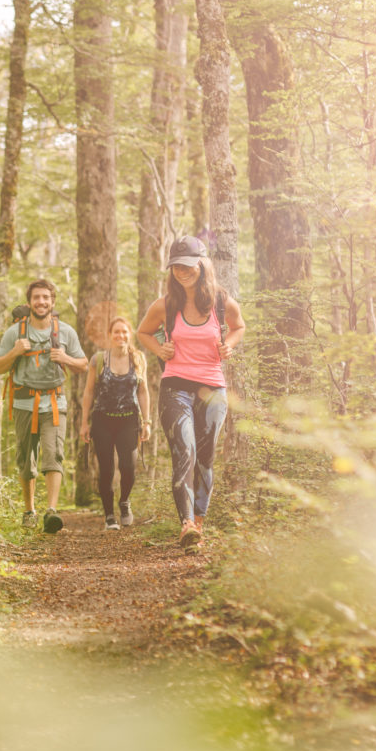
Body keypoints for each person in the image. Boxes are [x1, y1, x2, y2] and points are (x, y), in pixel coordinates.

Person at [136, 235, 245, 548]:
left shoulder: (221, 302)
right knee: (184, 451)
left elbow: (239, 327)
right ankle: (186, 524)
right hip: (176, 385)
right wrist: (161, 349)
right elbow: (143, 332)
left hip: (212, 388)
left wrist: (229, 346)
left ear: (202, 264)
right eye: (176, 267)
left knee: (205, 457)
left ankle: (199, 520)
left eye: (187, 265)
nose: (181, 272)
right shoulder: (166, 305)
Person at [0, 279, 88, 533]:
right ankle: (29, 510)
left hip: (55, 402)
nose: (41, 302)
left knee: (53, 454)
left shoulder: (65, 331)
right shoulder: (15, 332)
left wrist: (65, 357)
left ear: (52, 302)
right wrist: (14, 352)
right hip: (24, 402)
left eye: (46, 297)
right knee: (26, 458)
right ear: (29, 302)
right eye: (37, 298)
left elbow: (84, 364)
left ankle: (51, 512)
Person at [79, 316, 151, 531]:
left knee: (128, 467)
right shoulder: (98, 360)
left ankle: (124, 502)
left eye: (124, 331)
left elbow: (143, 391)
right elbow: (89, 391)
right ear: (110, 336)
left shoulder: (138, 359)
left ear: (130, 334)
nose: (121, 335)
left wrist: (146, 421)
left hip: (129, 420)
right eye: (116, 332)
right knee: (107, 470)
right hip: (102, 420)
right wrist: (84, 423)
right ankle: (109, 515)